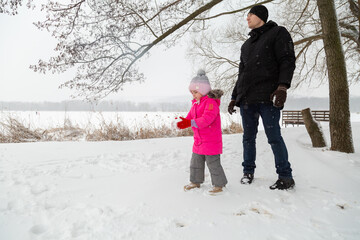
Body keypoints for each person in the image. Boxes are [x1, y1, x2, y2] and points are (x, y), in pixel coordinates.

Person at [228, 5, 296, 190]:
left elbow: (287, 60)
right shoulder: (246, 45)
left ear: (260, 16)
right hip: (247, 100)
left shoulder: (278, 33)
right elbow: (242, 74)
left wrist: (282, 86)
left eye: (250, 14)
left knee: (274, 137)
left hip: (269, 97)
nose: (247, 17)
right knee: (248, 138)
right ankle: (247, 172)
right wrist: (235, 97)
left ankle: (285, 176)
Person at [177, 69, 228, 194]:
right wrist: (182, 123)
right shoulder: (195, 103)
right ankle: (195, 182)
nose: (193, 94)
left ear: (203, 90)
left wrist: (191, 123)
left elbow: (207, 120)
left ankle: (219, 184)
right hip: (199, 140)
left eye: (195, 92)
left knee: (213, 164)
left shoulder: (211, 103)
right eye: (192, 92)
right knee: (195, 162)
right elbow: (190, 117)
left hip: (211, 140)